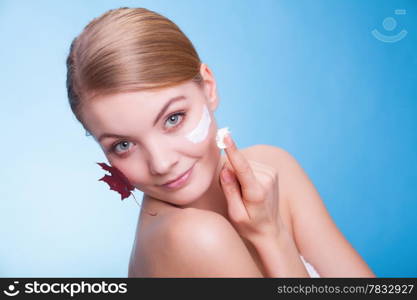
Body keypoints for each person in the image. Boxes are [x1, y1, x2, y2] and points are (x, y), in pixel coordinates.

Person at [66, 7, 375, 278]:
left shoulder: (274, 167)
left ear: (209, 88)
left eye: (173, 118)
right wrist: (273, 236)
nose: (161, 163)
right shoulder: (190, 237)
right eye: (123, 145)